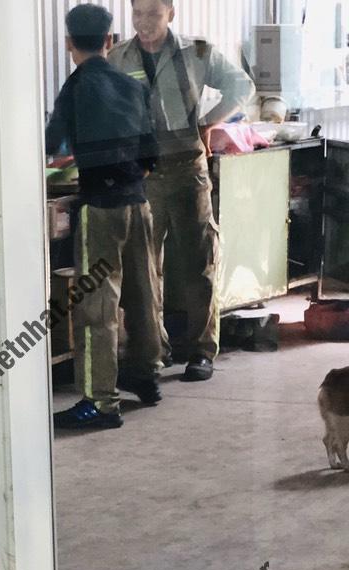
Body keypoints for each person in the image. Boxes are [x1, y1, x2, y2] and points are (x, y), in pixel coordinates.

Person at [109, 1, 255, 382]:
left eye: (153, 14)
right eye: (137, 14)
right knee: (145, 270)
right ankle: (153, 354)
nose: (144, 23)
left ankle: (202, 351)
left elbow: (242, 85)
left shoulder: (197, 52)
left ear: (170, 13)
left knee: (198, 263)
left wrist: (207, 121)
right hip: (143, 175)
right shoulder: (119, 57)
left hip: (188, 169)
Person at [47, 4, 164, 430]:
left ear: (68, 43)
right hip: (139, 204)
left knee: (96, 306)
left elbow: (49, 144)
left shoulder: (76, 87)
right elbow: (151, 155)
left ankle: (100, 402)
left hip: (100, 209)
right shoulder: (131, 84)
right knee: (143, 295)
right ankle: (146, 376)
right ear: (110, 41)